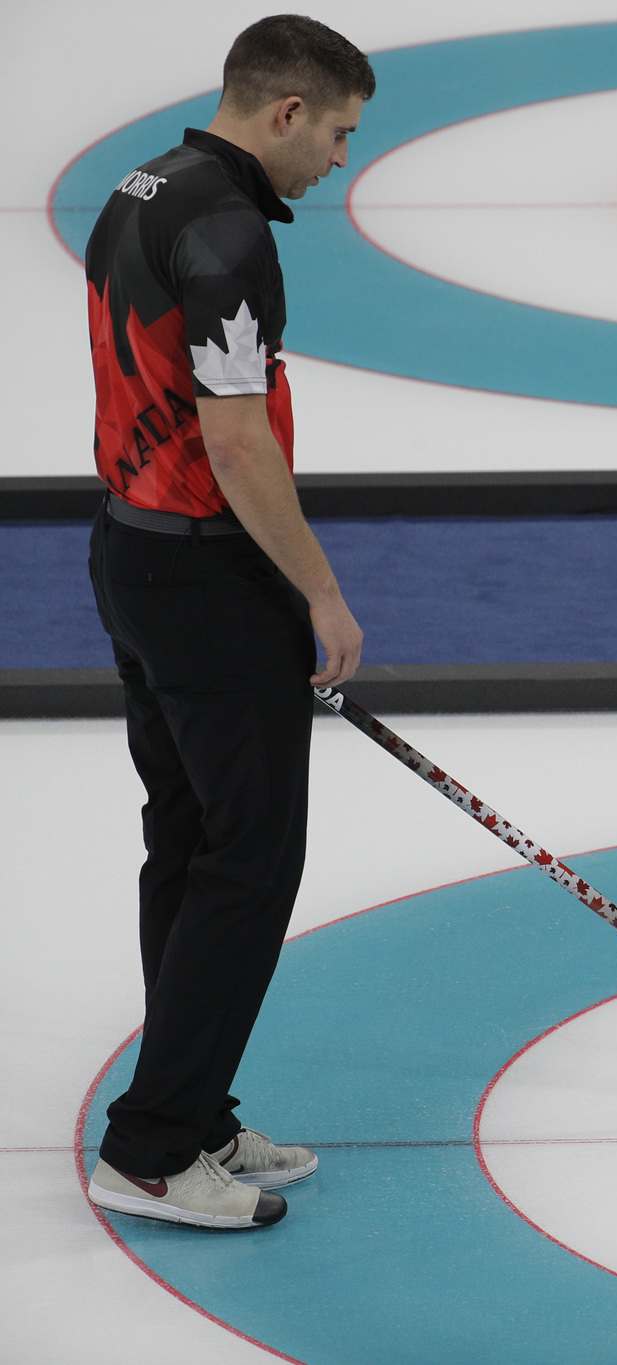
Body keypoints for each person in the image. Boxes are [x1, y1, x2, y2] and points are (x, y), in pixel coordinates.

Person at [83, 16, 375, 1229]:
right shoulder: (231, 230)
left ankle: (190, 1111)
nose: (342, 161)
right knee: (248, 865)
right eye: (342, 134)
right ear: (288, 111)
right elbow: (236, 434)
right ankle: (154, 1148)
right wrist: (317, 589)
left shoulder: (141, 184)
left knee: (191, 843)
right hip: (208, 577)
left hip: (131, 553)